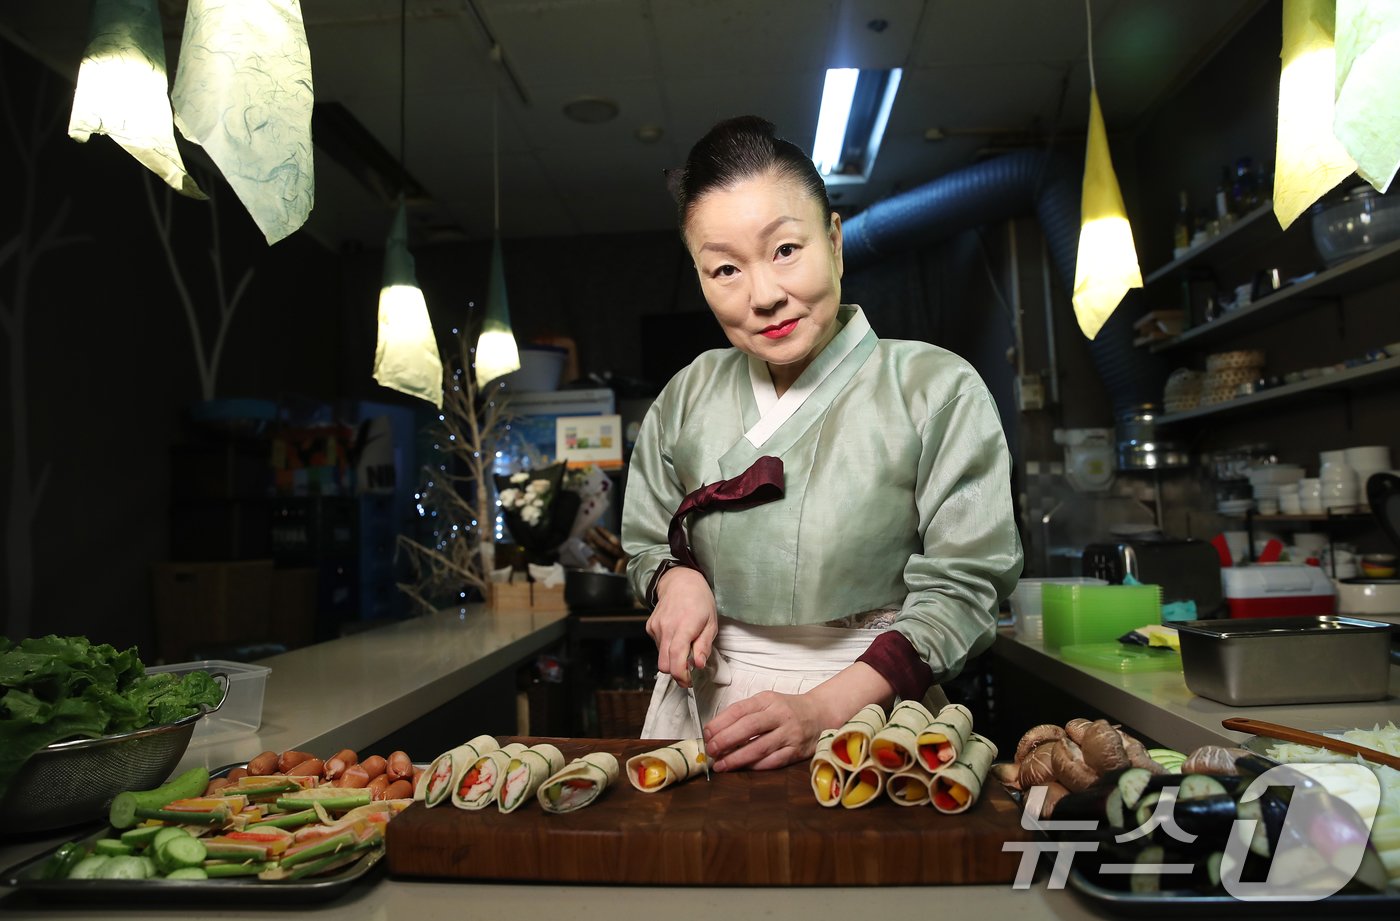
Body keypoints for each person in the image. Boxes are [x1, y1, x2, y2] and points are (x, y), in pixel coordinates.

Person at [621, 115, 1022, 772]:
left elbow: (964, 586)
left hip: (875, 707)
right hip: (709, 706)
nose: (764, 296)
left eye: (785, 250)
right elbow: (642, 541)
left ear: (834, 243)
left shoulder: (935, 387)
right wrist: (674, 579)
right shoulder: (686, 395)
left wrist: (823, 708)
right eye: (724, 268)